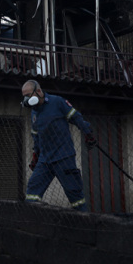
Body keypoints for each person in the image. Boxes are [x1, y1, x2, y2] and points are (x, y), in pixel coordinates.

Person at [21, 79, 96, 212]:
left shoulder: (57, 102)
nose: (26, 100)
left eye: (28, 95)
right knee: (33, 190)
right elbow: (36, 137)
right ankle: (31, 220)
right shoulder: (34, 112)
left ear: (38, 91)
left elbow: (76, 117)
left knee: (75, 195)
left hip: (64, 157)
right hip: (45, 160)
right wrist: (35, 155)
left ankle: (84, 220)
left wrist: (87, 132)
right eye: (24, 97)